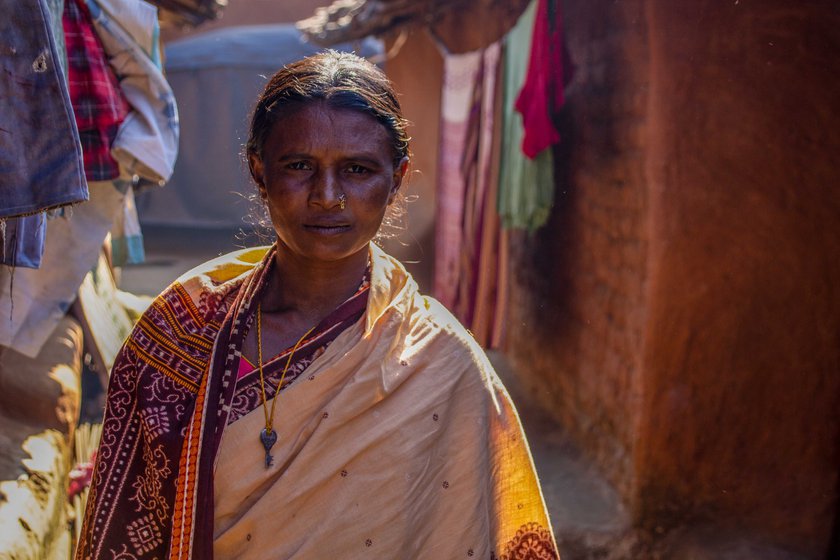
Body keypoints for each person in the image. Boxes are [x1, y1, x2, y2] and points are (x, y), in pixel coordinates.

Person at [75, 51, 558, 560]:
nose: (328, 196)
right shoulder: (181, 333)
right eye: (300, 166)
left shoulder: (443, 365)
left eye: (357, 169)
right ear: (259, 171)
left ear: (397, 179)